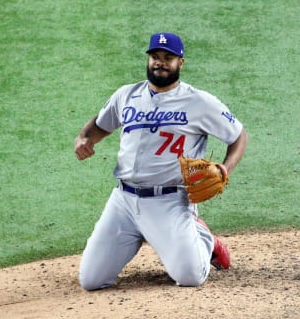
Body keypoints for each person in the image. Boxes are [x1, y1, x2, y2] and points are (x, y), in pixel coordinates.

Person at [74, 32, 247, 290]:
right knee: (91, 281)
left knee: (190, 277)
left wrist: (225, 168)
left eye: (168, 58)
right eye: (156, 56)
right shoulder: (126, 95)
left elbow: (238, 135)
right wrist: (83, 138)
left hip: (169, 203)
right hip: (123, 202)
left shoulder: (199, 102)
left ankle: (203, 238)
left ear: (181, 63)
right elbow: (100, 124)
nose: (160, 63)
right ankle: (147, 234)